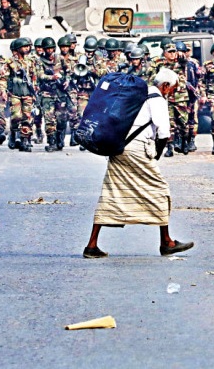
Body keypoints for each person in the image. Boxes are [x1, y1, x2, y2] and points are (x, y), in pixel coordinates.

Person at [83, 68, 194, 259]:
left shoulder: (138, 94)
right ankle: (166, 243)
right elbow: (164, 133)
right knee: (160, 190)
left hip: (118, 147)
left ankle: (91, 245)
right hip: (136, 150)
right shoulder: (156, 98)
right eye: (173, 89)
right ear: (165, 86)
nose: (173, 93)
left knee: (111, 193)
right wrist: (155, 157)